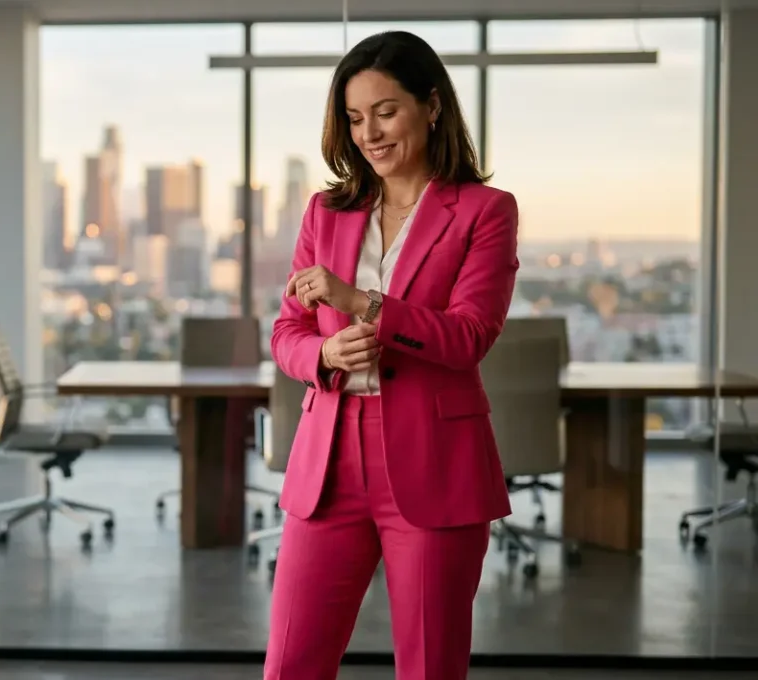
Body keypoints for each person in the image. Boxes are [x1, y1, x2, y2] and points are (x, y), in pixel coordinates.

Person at [265, 31, 519, 680]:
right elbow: (287, 333)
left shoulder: (484, 212)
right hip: (329, 461)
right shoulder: (327, 212)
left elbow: (470, 337)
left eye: (385, 111)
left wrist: (364, 303)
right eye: (354, 119)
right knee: (291, 663)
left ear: (431, 106)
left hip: (435, 460)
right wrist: (323, 349)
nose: (369, 134)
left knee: (430, 668)